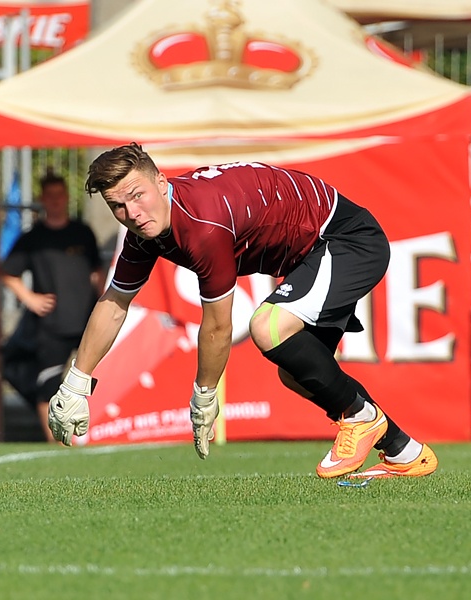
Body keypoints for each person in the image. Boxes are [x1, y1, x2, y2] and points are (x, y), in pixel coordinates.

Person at [46, 143, 437, 479]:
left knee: (267, 326)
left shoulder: (203, 225)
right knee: (299, 375)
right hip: (316, 252)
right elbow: (114, 304)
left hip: (346, 239)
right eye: (117, 205)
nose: (131, 212)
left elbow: (218, 327)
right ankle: (403, 453)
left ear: (161, 183)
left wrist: (204, 395)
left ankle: (360, 418)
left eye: (137, 195)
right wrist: (76, 381)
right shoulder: (146, 230)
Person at [1, 170, 105, 442]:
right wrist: (29, 298)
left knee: (92, 382)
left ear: (67, 197)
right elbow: (7, 272)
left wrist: (106, 303)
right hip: (51, 325)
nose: (56, 200)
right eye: (50, 196)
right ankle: (57, 443)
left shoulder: (83, 233)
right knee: (48, 385)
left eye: (60, 195)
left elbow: (97, 273)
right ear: (42, 199)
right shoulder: (33, 238)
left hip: (87, 321)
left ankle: (93, 435)